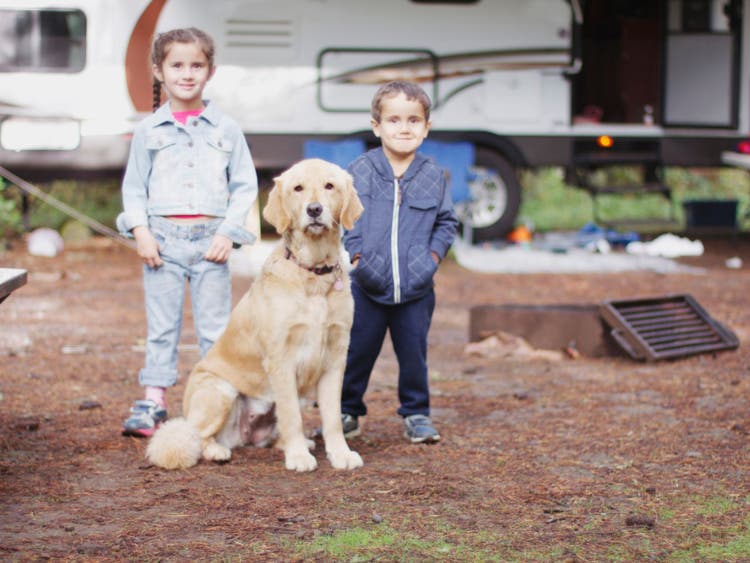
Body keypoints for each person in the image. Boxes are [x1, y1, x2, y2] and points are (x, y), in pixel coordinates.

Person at [116, 28, 258, 437]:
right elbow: (134, 188)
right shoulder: (148, 131)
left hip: (210, 244)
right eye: (176, 65)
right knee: (162, 327)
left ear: (210, 71)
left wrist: (228, 234)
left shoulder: (226, 129)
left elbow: (244, 185)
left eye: (196, 65)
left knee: (214, 329)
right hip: (162, 243)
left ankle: (215, 404)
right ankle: (154, 400)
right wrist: (140, 231)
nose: (187, 73)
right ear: (159, 71)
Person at [340, 81, 458, 443]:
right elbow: (346, 217)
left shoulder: (434, 175)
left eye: (413, 120)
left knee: (413, 355)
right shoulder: (359, 171)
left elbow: (447, 222)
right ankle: (347, 411)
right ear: (377, 126)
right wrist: (358, 256)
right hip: (367, 286)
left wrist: (433, 257)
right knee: (356, 352)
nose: (403, 128)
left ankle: (417, 413)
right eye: (393, 120)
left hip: (417, 288)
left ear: (426, 127)